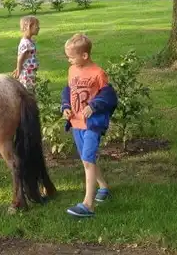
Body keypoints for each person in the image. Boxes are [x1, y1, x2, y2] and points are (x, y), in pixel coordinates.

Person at [60, 33, 117, 218]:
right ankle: (104, 187)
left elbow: (109, 97)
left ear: (84, 55)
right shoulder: (72, 71)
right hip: (77, 123)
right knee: (88, 159)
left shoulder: (98, 74)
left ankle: (88, 205)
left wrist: (94, 106)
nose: (69, 60)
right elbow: (68, 90)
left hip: (92, 124)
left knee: (87, 160)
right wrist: (66, 107)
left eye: (71, 57)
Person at [12, 16, 40, 91]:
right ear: (28, 27)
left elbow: (24, 58)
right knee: (28, 91)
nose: (38, 28)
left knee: (31, 89)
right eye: (36, 26)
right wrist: (18, 69)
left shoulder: (29, 41)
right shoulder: (26, 43)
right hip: (27, 73)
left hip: (30, 71)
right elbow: (20, 57)